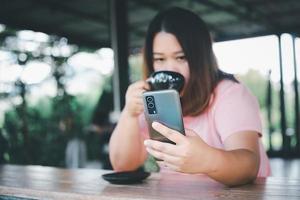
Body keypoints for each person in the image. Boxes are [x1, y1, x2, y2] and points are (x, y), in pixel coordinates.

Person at [109, 7, 271, 186]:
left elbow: (249, 166)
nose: (170, 69)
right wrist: (129, 114)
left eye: (181, 58)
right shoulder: (153, 100)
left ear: (200, 57)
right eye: (160, 59)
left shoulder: (229, 94)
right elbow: (122, 165)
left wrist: (207, 160)